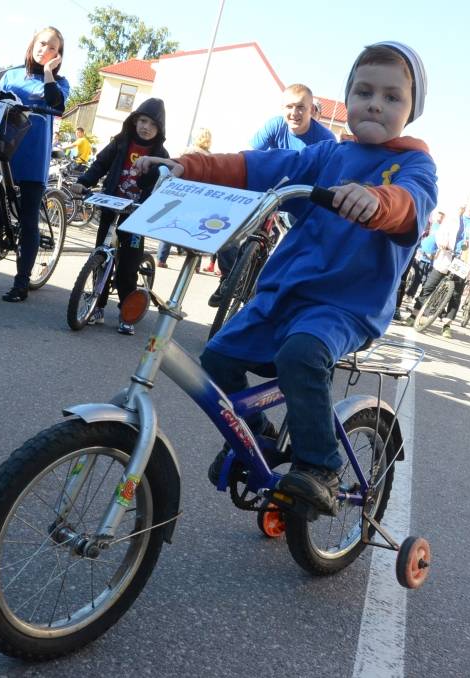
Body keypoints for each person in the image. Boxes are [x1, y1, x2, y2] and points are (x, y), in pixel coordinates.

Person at [137, 41, 436, 513]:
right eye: (363, 92)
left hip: (345, 305)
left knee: (302, 354)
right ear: (346, 99)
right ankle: (258, 438)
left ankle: (320, 465)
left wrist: (377, 201)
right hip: (284, 294)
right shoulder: (326, 156)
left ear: (411, 109)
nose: (375, 103)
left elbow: (410, 203)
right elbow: (254, 166)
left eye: (392, 97)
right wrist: (188, 165)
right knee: (216, 359)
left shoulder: (416, 165)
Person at [208, 84, 337, 307]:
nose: (294, 113)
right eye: (289, 106)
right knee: (228, 225)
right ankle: (229, 278)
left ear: (311, 110)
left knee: (300, 242)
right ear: (281, 107)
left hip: (300, 198)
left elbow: (327, 178)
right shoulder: (275, 126)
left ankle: (279, 294)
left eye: (301, 108)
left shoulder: (325, 139)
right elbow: (250, 155)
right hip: (270, 189)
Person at [0, 26, 68, 301]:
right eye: (41, 43)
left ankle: (22, 281)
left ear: (58, 55)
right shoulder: (12, 74)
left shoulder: (59, 82)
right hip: (4, 148)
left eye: (52, 47)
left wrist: (49, 73)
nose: (44, 50)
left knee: (27, 219)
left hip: (32, 152)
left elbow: (57, 104)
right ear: (32, 43)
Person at [69, 98, 169, 334]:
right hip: (111, 207)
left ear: (159, 129)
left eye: (152, 124)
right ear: (134, 120)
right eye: (142, 121)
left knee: (128, 267)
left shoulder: (160, 153)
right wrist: (84, 182)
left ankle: (127, 312)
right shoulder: (120, 142)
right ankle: (97, 306)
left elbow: (165, 182)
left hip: (136, 216)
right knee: (100, 257)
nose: (145, 127)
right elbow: (100, 164)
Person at [405, 191, 470, 338]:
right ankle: (414, 314)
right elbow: (441, 232)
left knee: (456, 294)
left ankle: (447, 324)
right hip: (447, 255)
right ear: (467, 201)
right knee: (429, 286)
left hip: (464, 262)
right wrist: (443, 243)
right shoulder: (454, 217)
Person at [157, 126, 213, 268]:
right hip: (199, 198)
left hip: (181, 195)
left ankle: (161, 259)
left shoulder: (186, 152)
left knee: (171, 225)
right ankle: (195, 264)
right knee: (197, 229)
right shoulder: (210, 157)